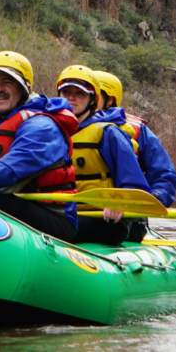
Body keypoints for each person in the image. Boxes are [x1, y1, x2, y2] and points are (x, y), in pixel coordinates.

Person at [0, 52, 80, 241]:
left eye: (7, 82)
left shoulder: (42, 126)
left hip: (54, 216)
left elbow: (9, 170)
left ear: (24, 88)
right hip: (13, 203)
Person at [57, 65, 151, 245]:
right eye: (66, 92)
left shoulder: (109, 133)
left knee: (59, 226)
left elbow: (136, 184)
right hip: (67, 213)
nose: (71, 98)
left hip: (107, 221)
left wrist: (120, 201)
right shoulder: (51, 131)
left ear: (92, 99)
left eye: (80, 93)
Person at [93, 70, 176, 243]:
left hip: (126, 218)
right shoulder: (67, 127)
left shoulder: (138, 132)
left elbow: (165, 177)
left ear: (110, 99)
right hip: (80, 211)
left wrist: (147, 200)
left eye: (93, 94)